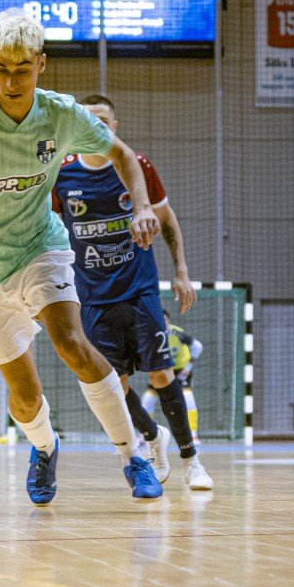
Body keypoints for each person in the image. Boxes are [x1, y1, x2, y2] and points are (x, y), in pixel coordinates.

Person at [0, 9, 164, 504]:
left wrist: (142, 207)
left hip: (40, 248)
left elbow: (123, 155)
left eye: (22, 68)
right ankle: (45, 449)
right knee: (23, 393)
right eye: (2, 68)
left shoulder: (62, 114)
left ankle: (135, 458)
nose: (12, 79)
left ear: (41, 65)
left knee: (70, 342)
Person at [53, 94, 212, 491]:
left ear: (115, 126)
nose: (98, 126)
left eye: (104, 120)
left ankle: (192, 461)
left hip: (139, 289)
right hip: (92, 297)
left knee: (161, 373)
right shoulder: (62, 175)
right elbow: (50, 232)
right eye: (90, 120)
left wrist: (181, 270)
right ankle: (152, 439)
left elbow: (166, 218)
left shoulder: (136, 166)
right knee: (114, 386)